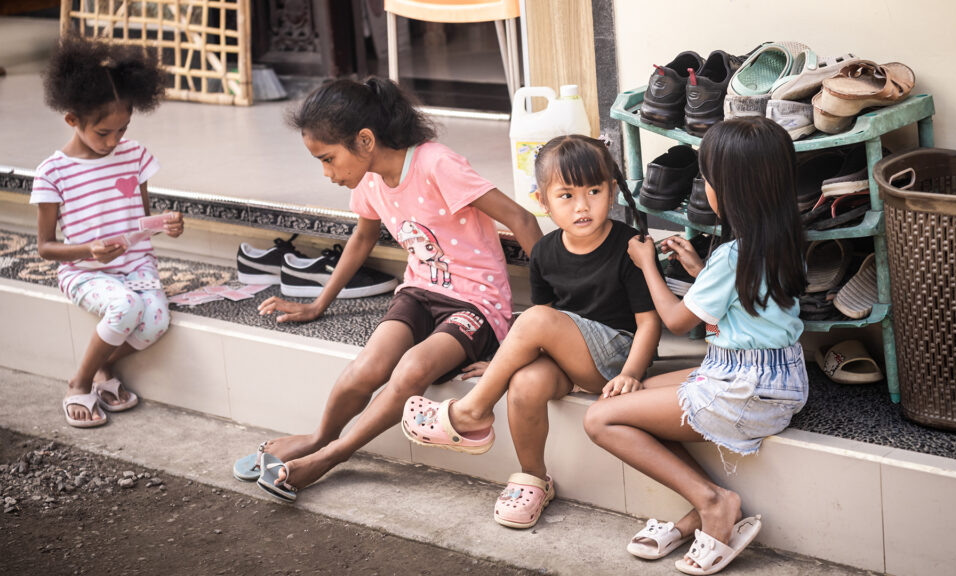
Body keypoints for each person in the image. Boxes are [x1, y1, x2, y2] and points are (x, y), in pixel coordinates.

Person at [233, 77, 543, 502]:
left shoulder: (436, 164)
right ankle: (319, 437)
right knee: (368, 367)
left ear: (364, 140)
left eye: (328, 159)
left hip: (476, 303)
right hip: (418, 293)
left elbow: (522, 221)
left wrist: (549, 316)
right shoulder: (369, 181)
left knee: (412, 369)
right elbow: (362, 238)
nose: (326, 174)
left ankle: (333, 455)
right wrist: (319, 302)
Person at [583, 116, 808, 575]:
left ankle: (711, 502)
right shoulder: (781, 239)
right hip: (772, 376)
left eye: (707, 179)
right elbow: (746, 303)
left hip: (743, 389)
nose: (704, 186)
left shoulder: (731, 256)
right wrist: (700, 268)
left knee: (600, 418)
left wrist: (647, 264)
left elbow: (676, 321)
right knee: (636, 392)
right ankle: (702, 505)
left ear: (730, 190)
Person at [402, 135, 661, 529]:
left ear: (612, 190)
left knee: (536, 318)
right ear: (542, 201)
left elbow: (648, 323)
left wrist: (631, 373)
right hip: (569, 357)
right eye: (567, 195)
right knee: (524, 382)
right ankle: (533, 479)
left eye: (594, 191)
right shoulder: (543, 252)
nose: (582, 205)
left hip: (616, 359)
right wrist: (504, 363)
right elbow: (550, 323)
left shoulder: (629, 245)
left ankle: (472, 410)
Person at [31, 36, 184, 428]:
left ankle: (100, 369)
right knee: (127, 307)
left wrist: (166, 224)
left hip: (136, 265)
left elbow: (142, 222)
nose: (114, 141)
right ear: (72, 120)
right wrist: (87, 250)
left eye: (123, 129)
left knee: (155, 323)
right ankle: (80, 382)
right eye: (103, 132)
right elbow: (45, 248)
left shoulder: (134, 155)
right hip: (85, 271)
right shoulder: (53, 172)